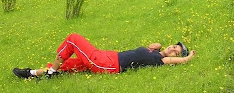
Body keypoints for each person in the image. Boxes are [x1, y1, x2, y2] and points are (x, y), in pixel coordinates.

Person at [13, 33, 196, 79]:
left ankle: (51, 73)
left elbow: (173, 60)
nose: (173, 50)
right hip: (106, 57)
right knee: (69, 66)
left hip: (107, 64)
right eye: (174, 47)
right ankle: (31, 73)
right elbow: (152, 46)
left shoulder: (160, 60)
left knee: (73, 39)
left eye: (176, 52)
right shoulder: (155, 52)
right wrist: (160, 46)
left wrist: (187, 58)